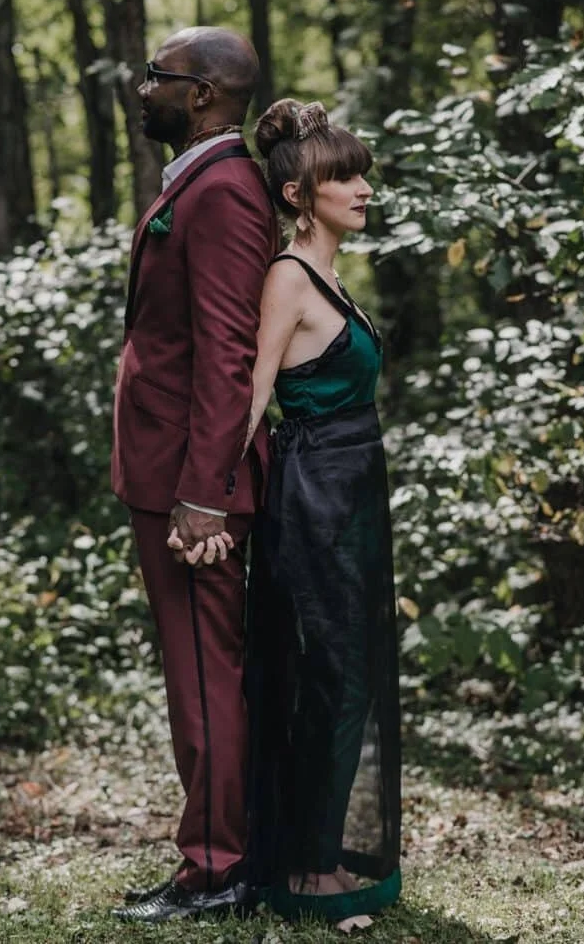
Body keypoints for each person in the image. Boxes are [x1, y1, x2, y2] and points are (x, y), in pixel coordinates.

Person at [110, 27, 277, 922]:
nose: (141, 89)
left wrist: (205, 495)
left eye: (157, 77)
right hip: (166, 473)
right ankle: (208, 856)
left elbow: (226, 355)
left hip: (193, 486)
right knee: (194, 673)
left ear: (205, 94)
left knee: (205, 674)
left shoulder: (221, 193)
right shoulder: (197, 183)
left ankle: (217, 868)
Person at [239, 98, 402, 931]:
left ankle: (324, 854)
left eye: (363, 173)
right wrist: (210, 500)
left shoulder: (333, 277)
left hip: (352, 497)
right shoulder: (286, 277)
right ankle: (305, 867)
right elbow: (256, 393)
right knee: (329, 677)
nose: (365, 188)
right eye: (347, 177)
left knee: (351, 676)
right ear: (301, 194)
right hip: (311, 499)